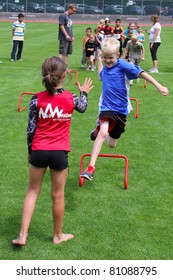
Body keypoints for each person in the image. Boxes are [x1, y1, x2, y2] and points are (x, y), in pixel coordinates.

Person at [12, 56, 94, 246]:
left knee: (32, 191)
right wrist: (84, 93)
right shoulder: (71, 98)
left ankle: (22, 236)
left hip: (38, 150)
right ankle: (57, 236)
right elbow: (82, 107)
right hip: (59, 152)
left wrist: (29, 150)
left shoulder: (36, 99)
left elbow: (30, 129)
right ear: (64, 75)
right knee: (58, 195)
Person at [80, 37, 168, 181]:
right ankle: (90, 167)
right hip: (106, 107)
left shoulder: (122, 65)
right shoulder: (106, 67)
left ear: (118, 55)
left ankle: (98, 130)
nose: (108, 61)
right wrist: (100, 60)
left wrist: (159, 86)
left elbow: (141, 73)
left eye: (111, 58)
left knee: (111, 144)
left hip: (121, 110)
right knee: (103, 132)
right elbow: (101, 76)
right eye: (106, 57)